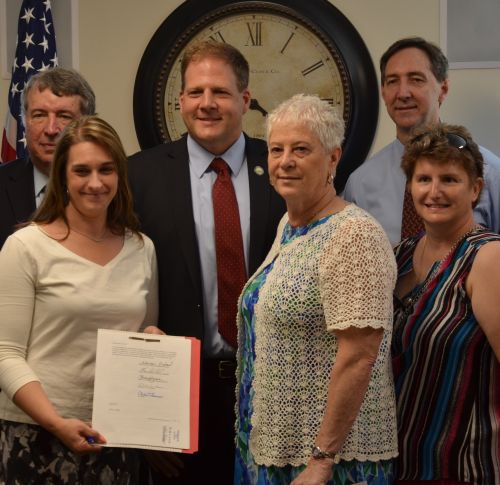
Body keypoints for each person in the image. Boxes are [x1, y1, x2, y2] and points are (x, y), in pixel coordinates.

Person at [128, 41, 286, 484]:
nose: (207, 104)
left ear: (245, 100)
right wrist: (143, 418)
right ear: (180, 102)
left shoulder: (280, 167)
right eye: (196, 93)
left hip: (268, 386)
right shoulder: (139, 175)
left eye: (220, 92)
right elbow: (124, 292)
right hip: (178, 392)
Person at [234, 94, 398, 485]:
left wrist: (322, 459)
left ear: (333, 158)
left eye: (301, 149)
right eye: (277, 149)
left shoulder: (354, 234)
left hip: (328, 465)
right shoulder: (289, 227)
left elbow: (360, 355)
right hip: (272, 448)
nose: (285, 161)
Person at [0, 116, 159, 484]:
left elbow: (144, 332)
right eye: (81, 170)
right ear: (63, 178)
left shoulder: (141, 248)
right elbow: (5, 353)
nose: (95, 183)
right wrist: (56, 423)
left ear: (120, 175)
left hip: (117, 437)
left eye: (106, 170)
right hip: (37, 435)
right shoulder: (25, 247)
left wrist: (153, 343)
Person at [392, 123, 500, 484]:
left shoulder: (488, 257)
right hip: (399, 466)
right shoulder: (400, 256)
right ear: (411, 187)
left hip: (466, 467)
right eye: (424, 179)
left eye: (449, 179)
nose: (434, 191)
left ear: (475, 189)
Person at [343, 37, 500, 246]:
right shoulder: (360, 184)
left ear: (442, 89)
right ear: (383, 93)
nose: (403, 93)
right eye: (392, 81)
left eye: (416, 79)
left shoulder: (490, 172)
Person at [0, 67, 96, 248]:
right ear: (24, 121)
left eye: (64, 116)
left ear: (88, 124)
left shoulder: (112, 188)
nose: (51, 129)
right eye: (39, 115)